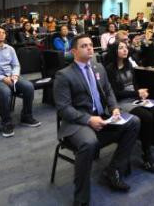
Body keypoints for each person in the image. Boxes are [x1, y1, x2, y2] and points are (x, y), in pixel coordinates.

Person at [53, 34, 140, 206]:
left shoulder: (98, 67)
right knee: (89, 143)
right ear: (74, 51)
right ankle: (81, 199)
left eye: (91, 45)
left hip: (102, 118)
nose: (89, 48)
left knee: (134, 122)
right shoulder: (64, 75)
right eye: (84, 46)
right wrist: (88, 119)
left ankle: (113, 170)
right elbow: (63, 109)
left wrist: (114, 107)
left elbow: (108, 91)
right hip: (77, 123)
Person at [104, 42, 154, 172]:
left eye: (126, 47)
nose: (125, 50)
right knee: (147, 116)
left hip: (134, 99)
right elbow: (115, 94)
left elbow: (134, 84)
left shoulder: (129, 65)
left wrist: (140, 94)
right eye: (121, 48)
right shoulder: (109, 69)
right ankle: (147, 155)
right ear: (114, 51)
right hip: (121, 103)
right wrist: (136, 93)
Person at [0, 26, 41, 137]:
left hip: (10, 77)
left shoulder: (10, 49)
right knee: (5, 91)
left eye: (3, 33)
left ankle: (26, 116)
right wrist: (2, 78)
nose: (1, 34)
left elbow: (16, 65)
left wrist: (15, 75)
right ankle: (6, 122)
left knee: (29, 86)